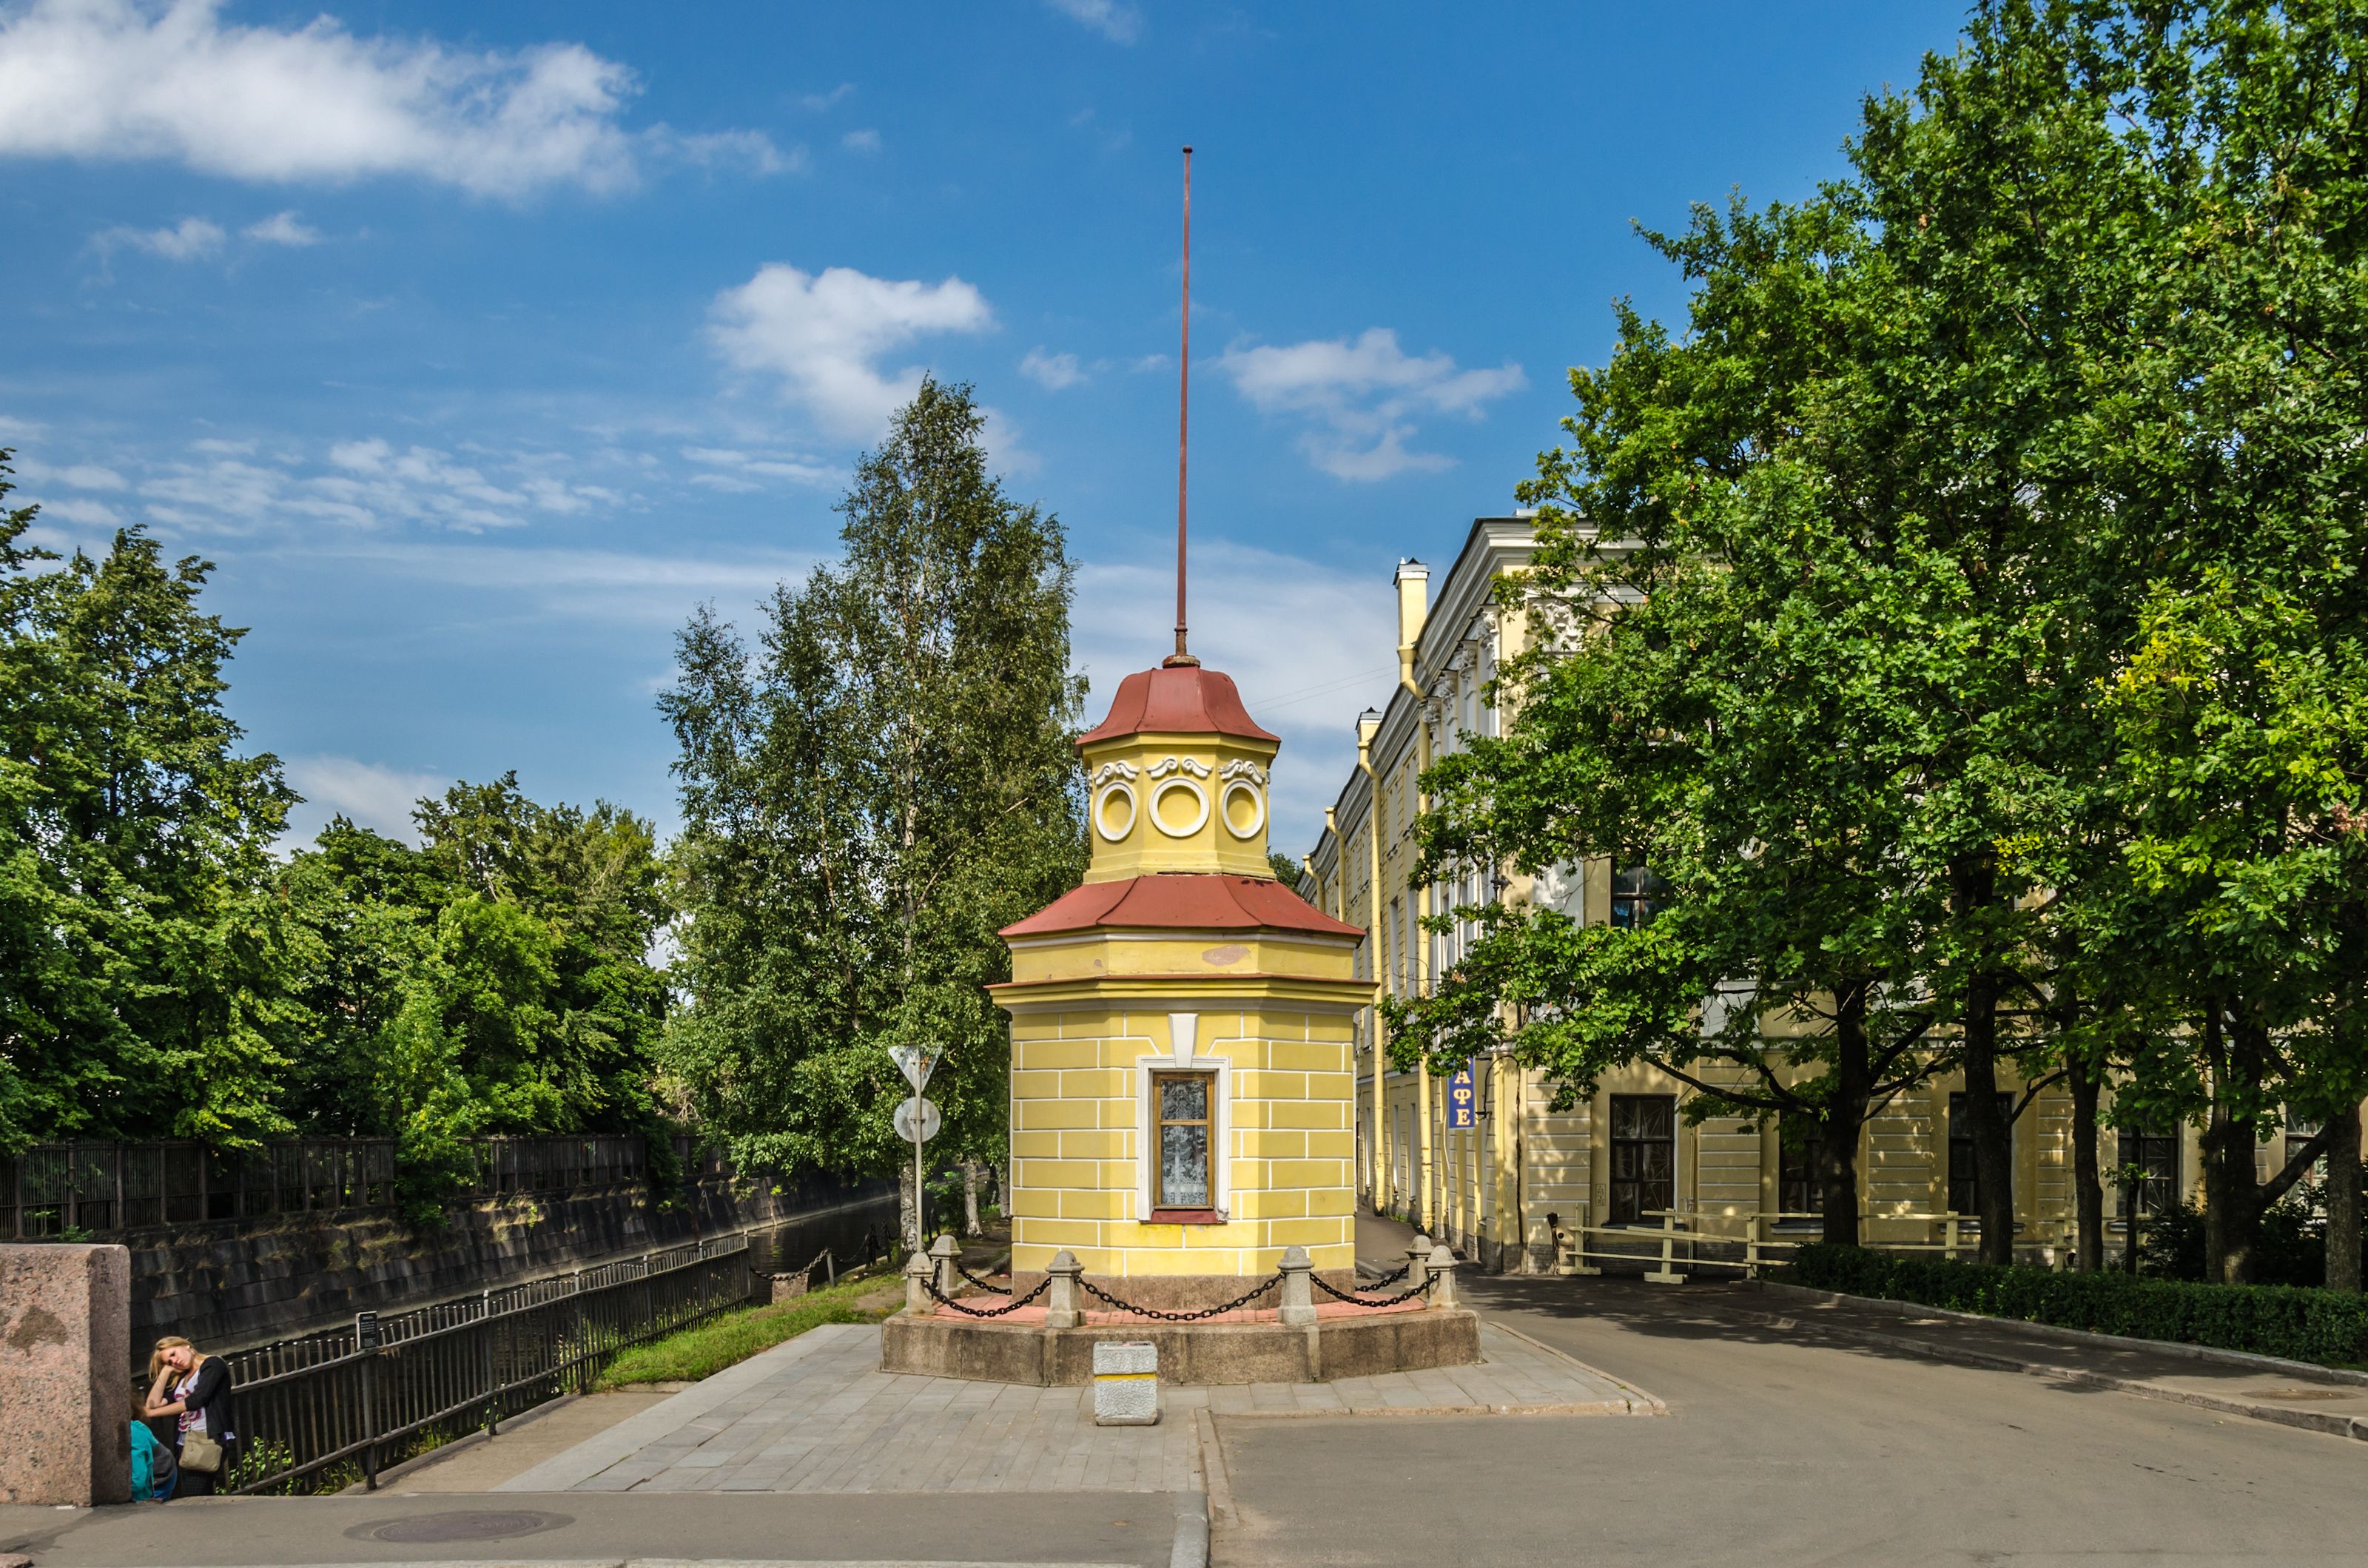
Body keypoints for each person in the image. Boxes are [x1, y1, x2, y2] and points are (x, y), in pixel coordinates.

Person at [142, 1336, 235, 1497]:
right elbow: (153, 1403)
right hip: (185, 1443)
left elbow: (197, 1400)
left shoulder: (213, 1364)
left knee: (193, 1496)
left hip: (208, 1439)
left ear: (185, 1346)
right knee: (202, 1496)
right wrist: (166, 1371)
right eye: (169, 1361)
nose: (174, 1361)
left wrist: (151, 1414)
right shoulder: (182, 1379)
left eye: (173, 1354)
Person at [129, 1395, 175, 1501]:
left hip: (162, 1476)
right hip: (147, 1470)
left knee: (146, 1505)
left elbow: (137, 1483)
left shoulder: (134, 1433)